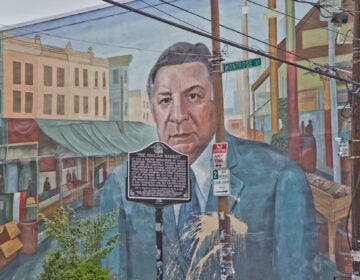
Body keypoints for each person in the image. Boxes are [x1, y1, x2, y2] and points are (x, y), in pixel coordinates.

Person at [101, 42, 335, 279]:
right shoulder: (123, 184)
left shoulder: (279, 175)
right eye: (165, 100)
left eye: (193, 96)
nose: (179, 115)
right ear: (154, 111)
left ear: (217, 103)